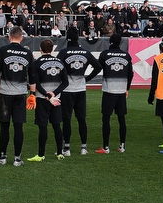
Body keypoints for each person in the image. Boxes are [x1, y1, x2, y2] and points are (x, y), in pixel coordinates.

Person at [0, 27, 31, 167]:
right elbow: (32, 76)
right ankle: (17, 159)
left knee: (4, 127)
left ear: (9, 36)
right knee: (18, 127)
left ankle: (2, 157)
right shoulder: (27, 52)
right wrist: (33, 95)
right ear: (21, 38)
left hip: (5, 94)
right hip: (20, 94)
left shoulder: (3, 50)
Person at [57, 27, 102, 156]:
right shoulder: (85, 52)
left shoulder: (64, 52)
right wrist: (87, 78)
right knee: (81, 119)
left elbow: (57, 67)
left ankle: (67, 148)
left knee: (66, 119)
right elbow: (98, 67)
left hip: (67, 90)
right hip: (81, 89)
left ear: (67, 39)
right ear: (78, 38)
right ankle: (83, 147)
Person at [27, 39, 68, 162]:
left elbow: (35, 82)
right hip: (56, 99)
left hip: (42, 98)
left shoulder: (37, 63)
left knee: (43, 127)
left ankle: (40, 155)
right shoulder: (60, 62)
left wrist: (46, 94)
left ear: (40, 49)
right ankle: (60, 153)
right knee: (57, 126)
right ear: (52, 49)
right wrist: (54, 94)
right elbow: (65, 82)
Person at [96, 33, 133, 154]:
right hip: (121, 91)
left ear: (110, 42)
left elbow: (97, 68)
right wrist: (126, 87)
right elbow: (130, 74)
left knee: (106, 118)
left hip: (108, 90)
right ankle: (122, 146)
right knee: (121, 119)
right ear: (120, 42)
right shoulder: (126, 55)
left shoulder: (105, 54)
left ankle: (106, 147)